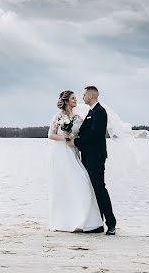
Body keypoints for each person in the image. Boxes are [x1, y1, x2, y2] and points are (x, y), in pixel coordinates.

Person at [47, 90, 103, 233]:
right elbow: (51, 135)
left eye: (76, 98)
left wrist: (75, 140)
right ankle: (64, 221)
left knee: (83, 183)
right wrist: (64, 138)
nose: (76, 100)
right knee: (65, 186)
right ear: (66, 101)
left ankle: (85, 220)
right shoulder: (58, 116)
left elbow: (84, 133)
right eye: (73, 98)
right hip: (61, 154)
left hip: (74, 153)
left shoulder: (78, 117)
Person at [72, 85, 116, 235]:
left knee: (99, 189)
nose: (82, 97)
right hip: (88, 156)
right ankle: (97, 223)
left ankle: (111, 223)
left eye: (84, 95)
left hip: (96, 157)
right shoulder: (91, 111)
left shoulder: (100, 112)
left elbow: (94, 135)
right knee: (92, 189)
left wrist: (76, 142)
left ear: (91, 96)